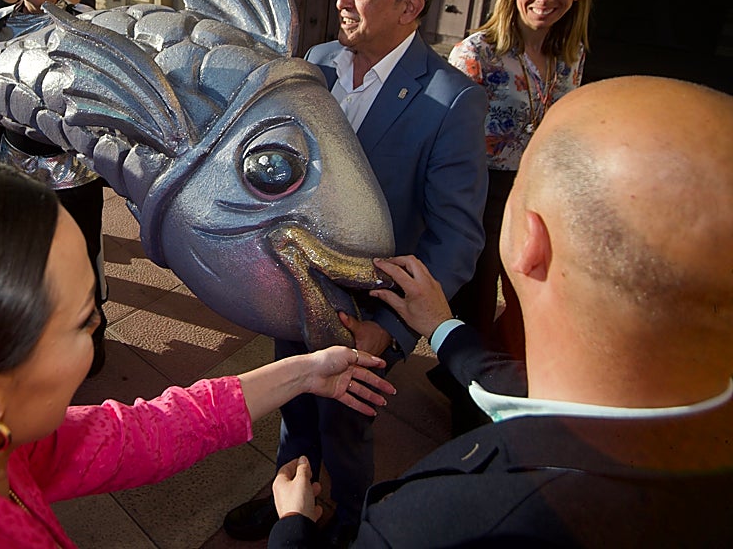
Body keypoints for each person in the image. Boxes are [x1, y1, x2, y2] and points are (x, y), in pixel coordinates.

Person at [0, 151, 396, 548]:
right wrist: (291, 532)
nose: (95, 338)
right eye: (86, 319)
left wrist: (302, 372)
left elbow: (135, 435)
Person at [268, 76, 733, 548]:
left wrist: (293, 526)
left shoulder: (428, 525)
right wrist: (442, 327)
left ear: (533, 243)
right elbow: (526, 394)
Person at [225, 0, 487, 542]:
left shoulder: (451, 101)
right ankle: (293, 501)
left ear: (410, 7)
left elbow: (455, 239)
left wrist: (391, 330)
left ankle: (351, 527)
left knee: (345, 427)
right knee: (292, 402)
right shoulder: (314, 63)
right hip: (294, 287)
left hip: (371, 311)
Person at [447, 0, 593, 361]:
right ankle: (467, 398)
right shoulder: (479, 52)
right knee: (472, 301)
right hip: (481, 191)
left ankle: (494, 373)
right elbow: (449, 140)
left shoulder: (572, 53)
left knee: (532, 296)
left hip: (537, 188)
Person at [0, 0, 109, 373]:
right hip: (15, 169)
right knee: (27, 262)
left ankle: (90, 340)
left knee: (82, 258)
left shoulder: (89, 25)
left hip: (75, 171)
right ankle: (37, 342)